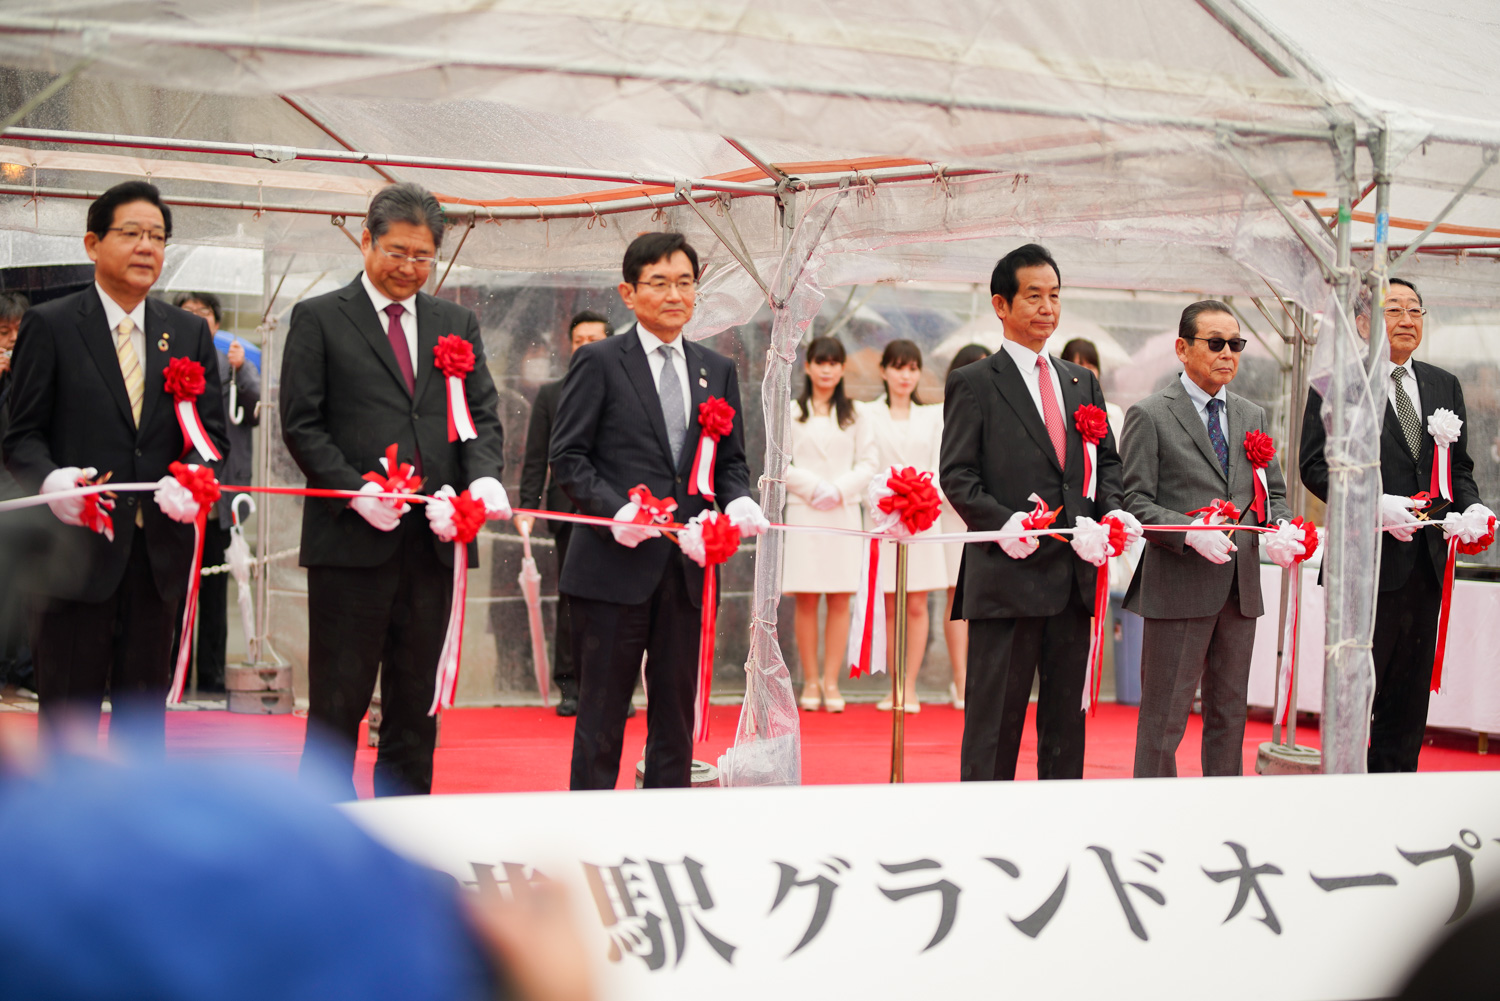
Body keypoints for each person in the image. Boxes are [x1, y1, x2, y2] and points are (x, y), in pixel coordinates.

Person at [280, 182, 508, 798]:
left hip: (434, 545)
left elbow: (481, 416)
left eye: (422, 256)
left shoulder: (454, 322)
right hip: (352, 543)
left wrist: (481, 476)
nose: (409, 267)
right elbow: (302, 423)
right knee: (339, 698)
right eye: (398, 252)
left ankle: (405, 824)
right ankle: (325, 828)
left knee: (416, 701)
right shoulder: (320, 317)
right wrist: (354, 491)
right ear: (366, 241)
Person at [2, 180, 228, 753]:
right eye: (131, 233)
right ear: (92, 243)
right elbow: (20, 435)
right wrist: (53, 484)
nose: (146, 247)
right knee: (68, 723)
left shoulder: (189, 332)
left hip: (157, 561)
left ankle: (136, 836)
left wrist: (192, 479)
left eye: (157, 236)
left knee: (142, 728)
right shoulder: (51, 325)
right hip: (73, 557)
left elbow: (211, 434)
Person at [550, 231, 765, 790]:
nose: (675, 294)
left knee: (675, 712)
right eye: (660, 282)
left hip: (687, 572)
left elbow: (730, 461)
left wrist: (738, 497)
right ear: (629, 291)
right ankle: (591, 831)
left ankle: (664, 827)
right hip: (610, 569)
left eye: (686, 282)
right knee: (601, 715)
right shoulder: (598, 361)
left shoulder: (715, 369)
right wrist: (615, 511)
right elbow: (568, 457)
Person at [939, 243, 1133, 781]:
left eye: (1054, 296)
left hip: (1072, 581)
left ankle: (1059, 828)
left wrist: (1109, 514)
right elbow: (956, 476)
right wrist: (1001, 523)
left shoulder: (1081, 381)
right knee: (994, 725)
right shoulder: (974, 382)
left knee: (1066, 728)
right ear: (1001, 305)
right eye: (1033, 296)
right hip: (1006, 580)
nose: (1047, 308)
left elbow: (1106, 464)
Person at [1301, 278, 1492, 772]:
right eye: (1394, 310)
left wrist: (1471, 508)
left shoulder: (1442, 384)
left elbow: (1460, 467)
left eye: (1415, 310)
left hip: (1425, 568)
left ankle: (1393, 802)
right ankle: (1345, 804)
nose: (1406, 319)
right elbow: (1314, 465)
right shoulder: (1340, 380)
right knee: (1352, 702)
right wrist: (1372, 503)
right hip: (1363, 567)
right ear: (1364, 323)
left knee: (1406, 710)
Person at [1121, 300, 1294, 778]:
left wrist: (1282, 527)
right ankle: (1154, 819)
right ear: (1182, 348)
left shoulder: (1251, 414)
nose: (1227, 354)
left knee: (1229, 716)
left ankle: (1222, 817)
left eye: (1235, 344)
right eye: (1214, 343)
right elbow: (1133, 500)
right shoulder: (1150, 414)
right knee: (1163, 721)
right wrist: (1188, 532)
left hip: (1240, 590)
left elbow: (1270, 494)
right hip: (1177, 586)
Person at [516, 309, 612, 718]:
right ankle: (570, 685)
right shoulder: (552, 394)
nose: (587, 347)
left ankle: (612, 688)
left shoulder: (627, 389)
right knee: (571, 598)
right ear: (568, 346)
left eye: (596, 339)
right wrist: (527, 505)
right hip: (568, 511)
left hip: (617, 513)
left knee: (615, 602)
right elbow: (536, 457)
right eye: (580, 340)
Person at [174, 291, 260, 695]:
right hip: (175, 499)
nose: (194, 319)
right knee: (169, 591)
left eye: (202, 313)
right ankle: (170, 671)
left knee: (215, 591)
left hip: (220, 503)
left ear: (217, 323)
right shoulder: (168, 363)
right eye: (186, 313)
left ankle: (209, 676)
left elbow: (258, 407)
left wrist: (242, 371)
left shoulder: (234, 365)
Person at [783, 336, 874, 713]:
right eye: (820, 362)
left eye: (834, 362)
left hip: (842, 512)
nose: (827, 369)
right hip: (804, 512)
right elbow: (779, 463)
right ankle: (811, 680)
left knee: (840, 599)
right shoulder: (790, 411)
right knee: (806, 599)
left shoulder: (856, 413)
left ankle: (833, 681)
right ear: (807, 366)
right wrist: (812, 487)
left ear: (842, 369)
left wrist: (837, 489)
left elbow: (869, 464)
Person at [859, 339, 946, 713]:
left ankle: (909, 686)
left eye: (912, 368)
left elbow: (940, 467)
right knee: (891, 603)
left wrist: (922, 499)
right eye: (898, 367)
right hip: (885, 520)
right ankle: (894, 686)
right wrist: (889, 503)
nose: (905, 376)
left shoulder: (934, 415)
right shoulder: (867, 414)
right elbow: (867, 465)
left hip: (924, 519)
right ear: (883, 371)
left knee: (917, 603)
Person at [938, 343, 990, 711]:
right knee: (957, 594)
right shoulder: (941, 414)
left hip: (992, 514)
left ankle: (982, 679)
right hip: (951, 515)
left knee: (984, 596)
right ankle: (960, 680)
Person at [0, 292, 36, 695]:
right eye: (3, 331)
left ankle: (24, 671)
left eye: (17, 331)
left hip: (26, 496)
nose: (10, 339)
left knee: (27, 590)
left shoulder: (36, 370)